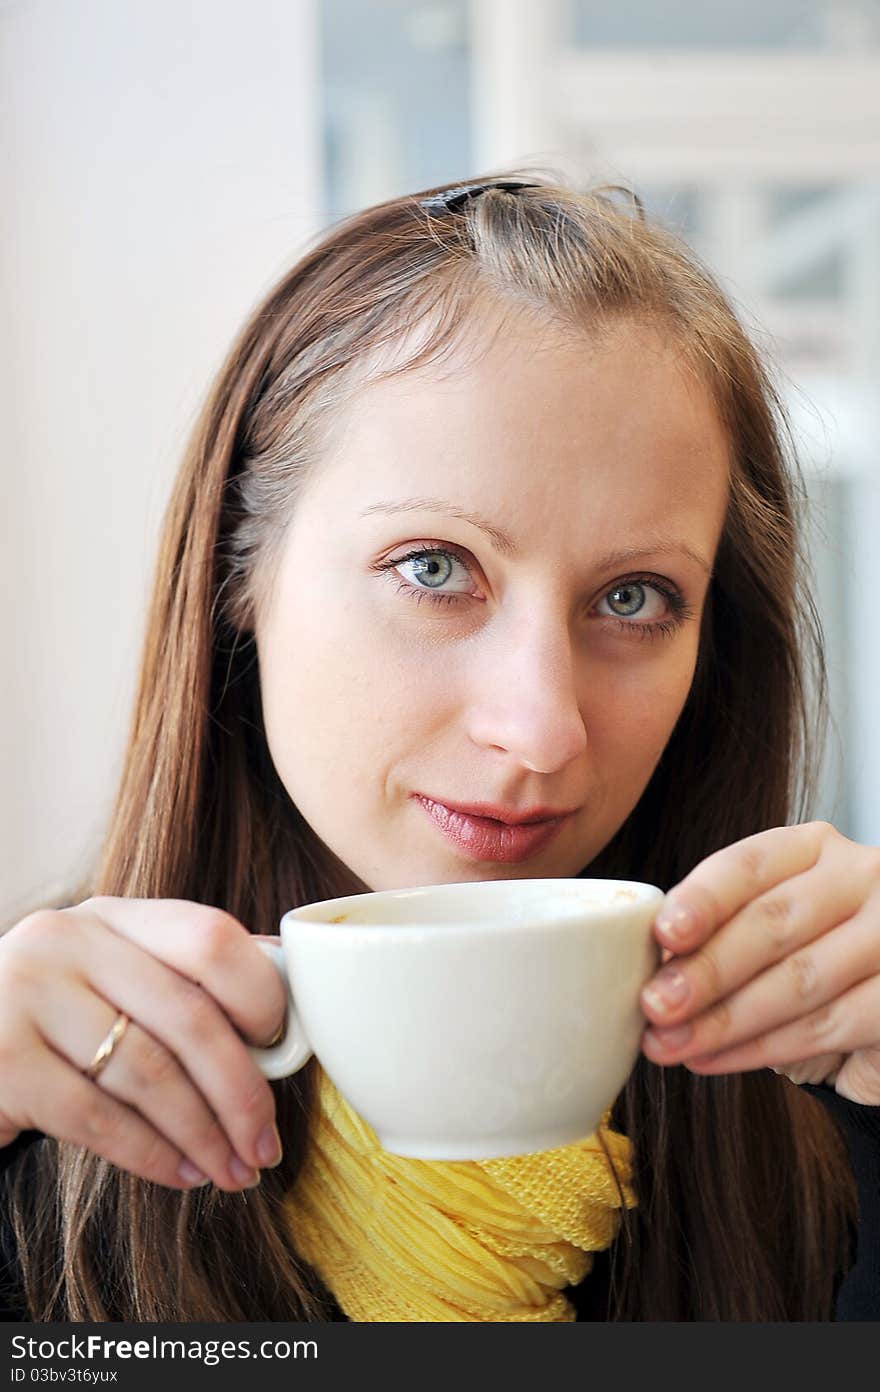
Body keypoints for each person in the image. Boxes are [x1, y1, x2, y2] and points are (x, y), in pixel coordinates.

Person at [1, 174, 878, 1324]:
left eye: (632, 597)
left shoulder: (830, 1131)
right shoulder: (26, 1116)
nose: (542, 728)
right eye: (433, 567)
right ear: (237, 577)